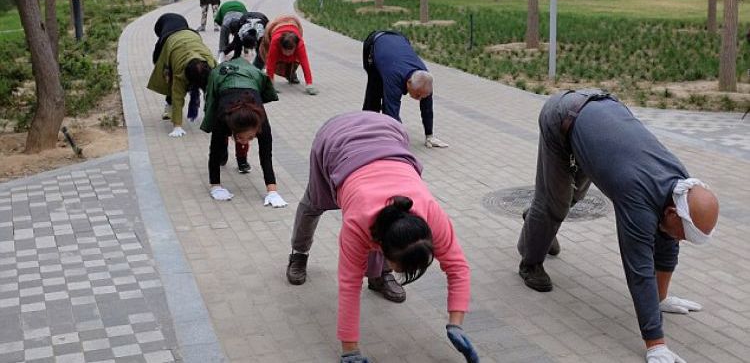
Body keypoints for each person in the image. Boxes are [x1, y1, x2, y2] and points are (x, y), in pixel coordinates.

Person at [516, 89, 720, 363]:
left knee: (572, 195)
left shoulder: (681, 184)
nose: (680, 241)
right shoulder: (637, 200)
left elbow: (669, 239)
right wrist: (655, 343)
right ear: (673, 212)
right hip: (562, 117)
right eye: (684, 234)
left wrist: (660, 299)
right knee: (555, 202)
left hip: (596, 122)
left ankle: (540, 226)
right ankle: (530, 261)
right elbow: (639, 271)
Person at [285, 111, 478, 363]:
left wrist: (456, 323)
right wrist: (350, 351)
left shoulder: (431, 213)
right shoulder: (357, 224)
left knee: (384, 237)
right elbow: (349, 285)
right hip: (336, 141)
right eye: (397, 267)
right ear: (384, 250)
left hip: (388, 133)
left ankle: (378, 277)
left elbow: (458, 267)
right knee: (314, 204)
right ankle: (298, 254)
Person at [187, 56, 288, 207]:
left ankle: (240, 157)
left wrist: (272, 191)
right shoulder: (222, 119)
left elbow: (266, 155)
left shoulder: (262, 123)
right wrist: (215, 186)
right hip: (222, 77)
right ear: (232, 130)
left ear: (257, 129)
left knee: (260, 146)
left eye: (251, 138)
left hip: (249, 74)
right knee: (218, 146)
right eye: (242, 138)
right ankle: (226, 152)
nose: (247, 141)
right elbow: (213, 152)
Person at [362, 30, 449, 148]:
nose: (418, 99)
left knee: (388, 92)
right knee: (375, 90)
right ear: (408, 83)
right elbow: (391, 111)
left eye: (421, 96)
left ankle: (386, 133)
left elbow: (427, 108)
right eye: (417, 95)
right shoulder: (394, 78)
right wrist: (399, 140)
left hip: (399, 39)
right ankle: (368, 131)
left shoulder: (425, 79)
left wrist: (429, 135)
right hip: (374, 44)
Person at [148, 13, 216, 138]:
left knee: (211, 89)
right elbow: (178, 97)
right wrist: (177, 126)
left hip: (192, 35)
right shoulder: (180, 72)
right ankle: (168, 106)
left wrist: (213, 118)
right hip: (170, 40)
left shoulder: (211, 64)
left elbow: (212, 92)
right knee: (170, 82)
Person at [259, 15, 318, 95]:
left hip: (292, 24)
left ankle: (291, 74)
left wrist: (309, 84)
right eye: (285, 51)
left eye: (290, 51)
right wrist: (271, 85)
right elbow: (270, 63)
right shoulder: (275, 42)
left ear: (295, 47)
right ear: (281, 46)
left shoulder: (299, 44)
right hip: (273, 28)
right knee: (270, 61)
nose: (287, 54)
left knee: (296, 61)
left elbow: (305, 64)